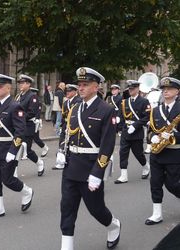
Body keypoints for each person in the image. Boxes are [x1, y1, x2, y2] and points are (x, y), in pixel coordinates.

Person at [59, 67, 121, 250]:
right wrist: (62, 152)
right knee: (67, 208)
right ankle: (66, 245)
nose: (81, 88)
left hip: (90, 169)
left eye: (85, 84)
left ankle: (113, 225)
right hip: (71, 167)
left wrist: (98, 172)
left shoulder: (105, 110)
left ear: (96, 87)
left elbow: (107, 145)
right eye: (79, 84)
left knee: (96, 209)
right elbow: (66, 132)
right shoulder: (75, 108)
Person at [0, 73, 33, 220]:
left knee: (8, 179)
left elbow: (20, 131)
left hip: (8, 148)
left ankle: (26, 191)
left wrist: (13, 150)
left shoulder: (15, 106)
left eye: (0, 86)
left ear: (8, 88)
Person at [145, 77, 180, 225]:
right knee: (155, 183)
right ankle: (157, 213)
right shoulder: (155, 110)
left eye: (169, 89)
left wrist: (174, 135)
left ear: (177, 91)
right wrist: (152, 137)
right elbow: (150, 131)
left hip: (174, 153)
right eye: (164, 89)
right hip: (157, 153)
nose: (166, 91)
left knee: (173, 184)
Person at [115, 80, 151, 184]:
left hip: (137, 132)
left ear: (138, 89)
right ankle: (123, 175)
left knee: (138, 154)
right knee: (123, 153)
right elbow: (121, 116)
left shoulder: (144, 101)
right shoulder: (125, 102)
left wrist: (135, 125)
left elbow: (147, 116)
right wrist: (120, 128)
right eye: (129, 89)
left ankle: (145, 166)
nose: (130, 90)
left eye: (133, 89)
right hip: (126, 132)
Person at [15, 74, 44, 176]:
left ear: (28, 84)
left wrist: (19, 118)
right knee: (16, 147)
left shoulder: (32, 96)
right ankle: (14, 171)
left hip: (27, 126)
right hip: (18, 126)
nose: (20, 85)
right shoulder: (19, 96)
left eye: (23, 83)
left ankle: (39, 162)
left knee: (27, 150)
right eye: (20, 83)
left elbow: (31, 112)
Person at [53, 84, 81, 170]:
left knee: (72, 143)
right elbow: (63, 115)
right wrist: (61, 126)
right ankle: (61, 161)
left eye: (69, 91)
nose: (67, 93)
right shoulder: (66, 102)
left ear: (75, 92)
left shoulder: (78, 101)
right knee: (62, 141)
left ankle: (72, 161)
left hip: (74, 126)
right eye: (67, 91)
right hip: (66, 125)